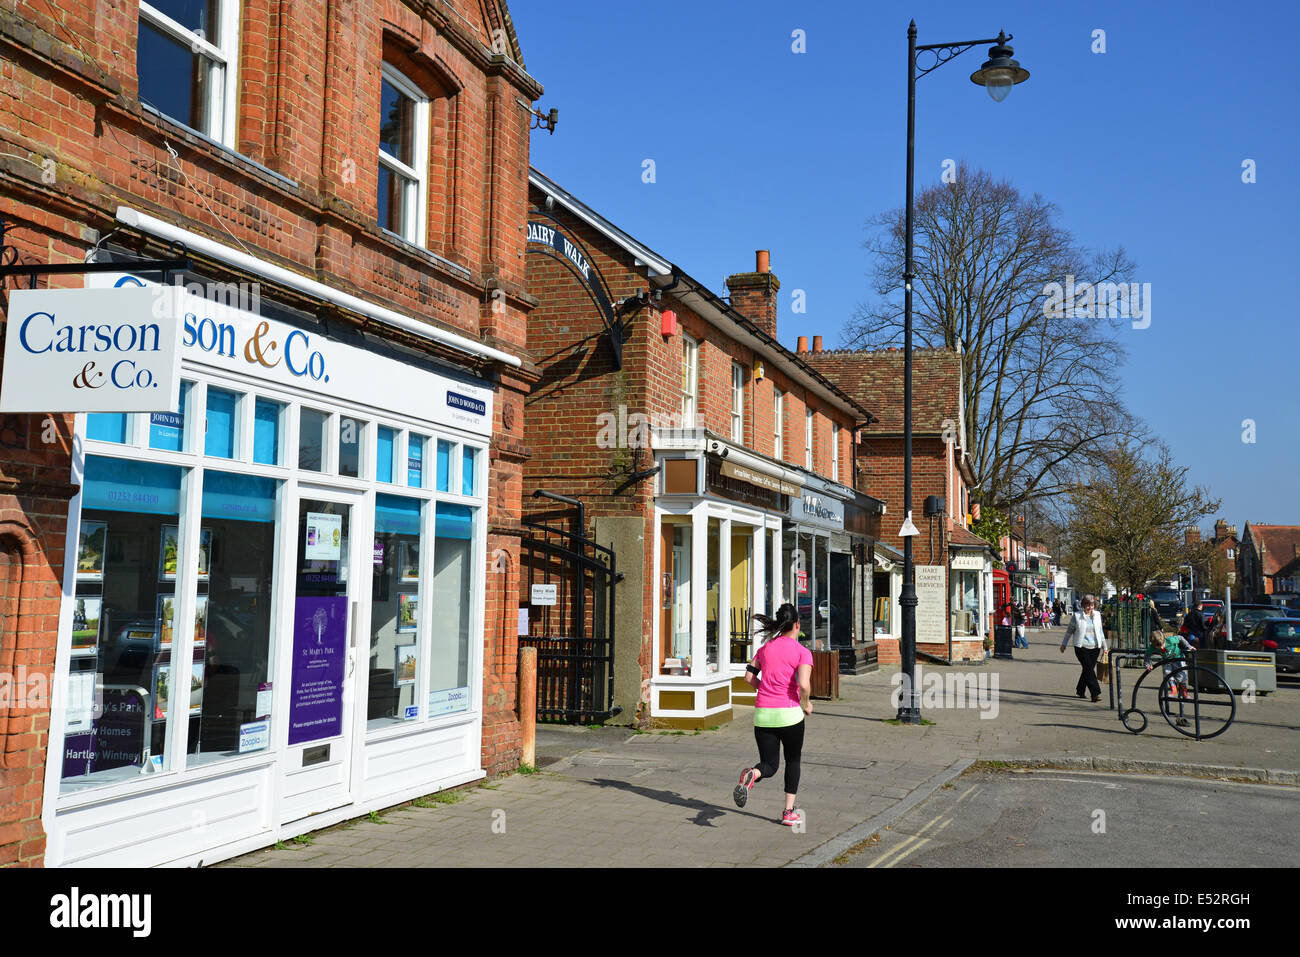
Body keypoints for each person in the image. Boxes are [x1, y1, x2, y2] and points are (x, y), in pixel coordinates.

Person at [733, 603, 813, 826]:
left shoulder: (765, 649)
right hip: (789, 715)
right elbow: (804, 685)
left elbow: (749, 678)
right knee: (793, 760)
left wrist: (765, 689)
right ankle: (788, 813)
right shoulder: (802, 652)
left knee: (769, 765)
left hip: (763, 714)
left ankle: (753, 774)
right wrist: (805, 704)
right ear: (797, 625)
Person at [1060, 594, 1108, 701]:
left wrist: (1105, 647)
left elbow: (1100, 632)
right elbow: (1069, 631)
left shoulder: (1097, 615)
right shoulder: (1077, 616)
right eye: (1087, 605)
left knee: (1088, 669)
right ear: (1082, 605)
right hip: (1081, 647)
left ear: (1094, 606)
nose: (1089, 607)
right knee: (1088, 669)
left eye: (1091, 605)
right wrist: (1064, 644)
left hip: (1095, 647)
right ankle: (1095, 693)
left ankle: (1080, 690)